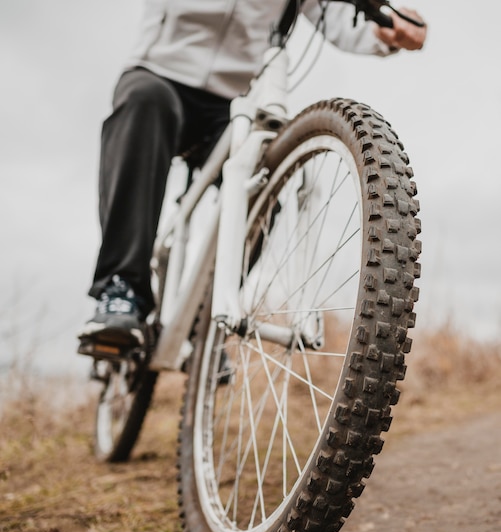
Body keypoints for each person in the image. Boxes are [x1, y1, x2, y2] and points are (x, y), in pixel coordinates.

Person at [78, 0, 427, 354]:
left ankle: (205, 328)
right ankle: (122, 290)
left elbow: (335, 13)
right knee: (143, 104)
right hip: (161, 72)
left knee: (261, 178)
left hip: (233, 100)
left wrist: (387, 28)